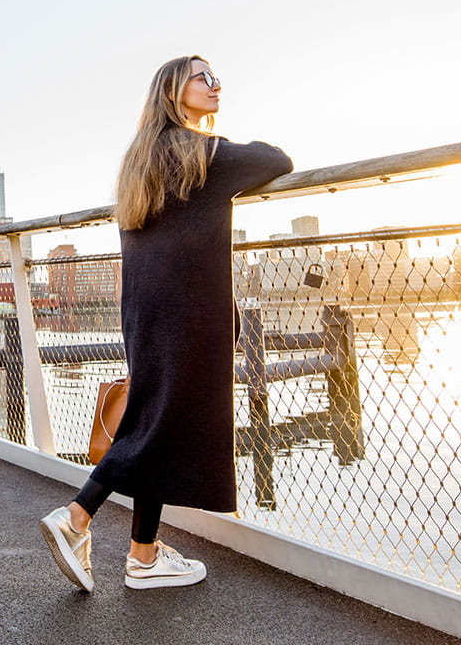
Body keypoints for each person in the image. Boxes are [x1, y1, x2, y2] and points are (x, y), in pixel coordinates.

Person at [40, 55, 292, 591]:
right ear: (174, 90)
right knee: (155, 422)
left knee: (159, 416)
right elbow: (277, 159)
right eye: (204, 77)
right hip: (189, 308)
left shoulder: (140, 159)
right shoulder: (203, 151)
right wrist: (217, 140)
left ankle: (144, 556)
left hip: (145, 307)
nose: (216, 83)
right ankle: (76, 516)